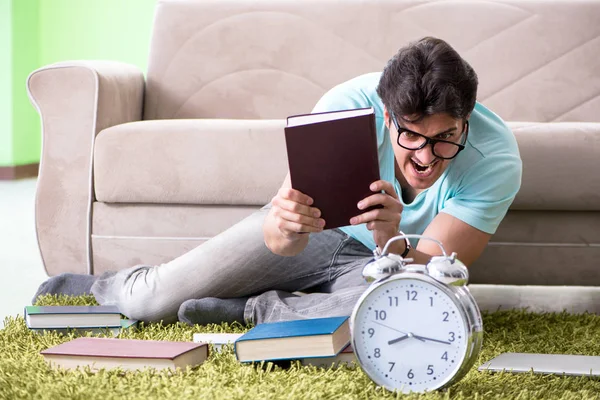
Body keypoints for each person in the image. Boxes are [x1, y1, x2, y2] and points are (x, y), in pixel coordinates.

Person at [33, 37, 522, 326]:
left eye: (445, 138)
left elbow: (429, 276)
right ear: (390, 117)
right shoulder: (346, 107)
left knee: (424, 309)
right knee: (150, 302)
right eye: (413, 136)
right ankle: (110, 286)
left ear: (467, 119)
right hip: (316, 237)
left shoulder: (493, 157)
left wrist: (387, 239)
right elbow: (280, 241)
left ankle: (249, 310)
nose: (427, 157)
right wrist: (285, 226)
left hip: (384, 265)